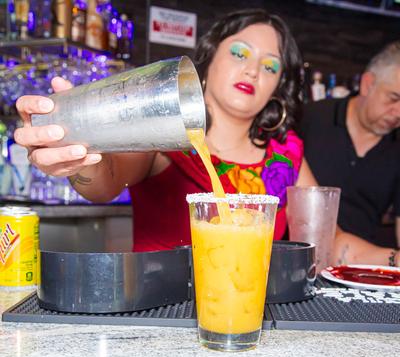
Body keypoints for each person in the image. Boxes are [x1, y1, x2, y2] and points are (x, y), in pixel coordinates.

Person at [14, 9, 399, 266]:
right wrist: (77, 153)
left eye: (269, 66)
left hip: (248, 320)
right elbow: (104, 179)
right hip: (160, 324)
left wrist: (393, 260)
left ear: (277, 87)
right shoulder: (165, 139)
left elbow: (330, 240)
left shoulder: (286, 156)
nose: (252, 70)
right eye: (239, 53)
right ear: (210, 59)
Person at [300, 42, 400, 253]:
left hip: (360, 267)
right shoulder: (311, 118)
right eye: (394, 98)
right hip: (295, 259)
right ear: (367, 84)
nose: (398, 112)